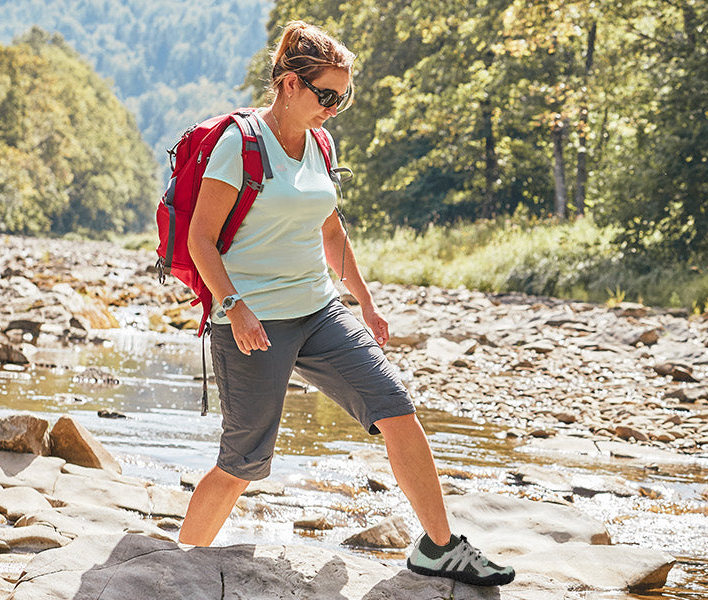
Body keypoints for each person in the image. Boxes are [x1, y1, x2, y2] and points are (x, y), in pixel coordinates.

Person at [176, 20, 515, 588]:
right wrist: (234, 306)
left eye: (343, 97)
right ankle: (177, 563)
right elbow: (199, 240)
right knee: (244, 463)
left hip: (319, 310)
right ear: (289, 84)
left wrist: (365, 300)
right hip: (253, 320)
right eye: (326, 95)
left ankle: (438, 546)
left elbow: (331, 230)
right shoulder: (241, 145)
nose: (334, 108)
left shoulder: (321, 142)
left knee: (397, 408)